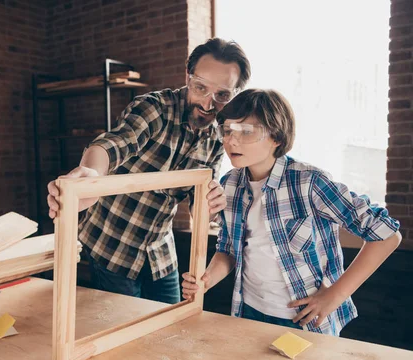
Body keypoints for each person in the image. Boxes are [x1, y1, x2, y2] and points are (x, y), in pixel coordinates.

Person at [47, 38, 251, 304]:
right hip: (113, 242)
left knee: (172, 324)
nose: (208, 104)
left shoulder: (217, 137)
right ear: (187, 78)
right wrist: (91, 177)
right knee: (124, 331)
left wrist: (211, 203)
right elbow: (114, 143)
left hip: (159, 250)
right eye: (200, 87)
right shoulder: (155, 108)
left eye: (222, 95)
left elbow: (197, 203)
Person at [181, 88, 402, 335]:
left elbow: (387, 235)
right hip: (248, 312)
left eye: (246, 131)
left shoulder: (309, 182)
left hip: (305, 320)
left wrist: (335, 295)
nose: (231, 140)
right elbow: (228, 251)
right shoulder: (229, 184)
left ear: (276, 137)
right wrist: (206, 280)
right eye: (228, 130)